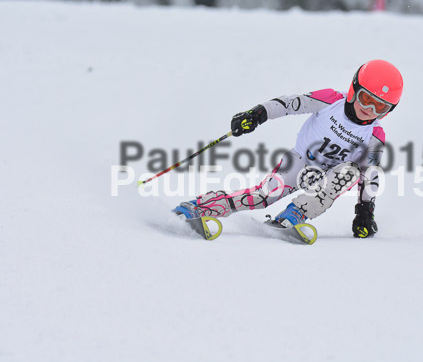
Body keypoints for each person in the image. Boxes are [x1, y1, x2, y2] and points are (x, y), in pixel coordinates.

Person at [173, 59, 403, 238]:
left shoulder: (375, 135)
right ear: (354, 89)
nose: (370, 109)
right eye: (365, 99)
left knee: (352, 170)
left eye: (380, 106)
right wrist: (258, 114)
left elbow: (370, 174)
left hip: (330, 178)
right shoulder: (331, 101)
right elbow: (291, 104)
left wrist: (365, 212)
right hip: (300, 162)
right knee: (263, 197)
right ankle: (197, 208)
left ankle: (294, 214)